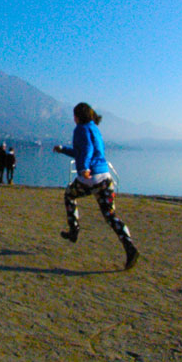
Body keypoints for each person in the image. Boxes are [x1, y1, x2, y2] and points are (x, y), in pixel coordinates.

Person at [53, 102, 139, 270]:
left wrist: (84, 168)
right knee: (110, 215)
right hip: (105, 178)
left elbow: (87, 149)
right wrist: (63, 149)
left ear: (78, 116)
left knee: (69, 195)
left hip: (89, 177)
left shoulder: (81, 129)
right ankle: (130, 248)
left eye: (74, 115)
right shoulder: (94, 129)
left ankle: (74, 230)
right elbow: (83, 151)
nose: (73, 118)